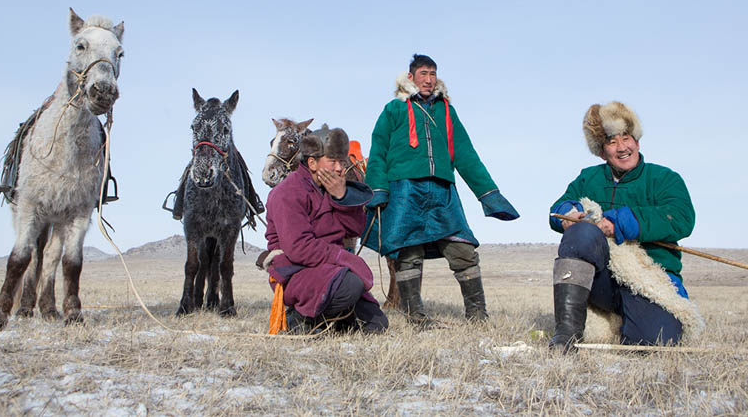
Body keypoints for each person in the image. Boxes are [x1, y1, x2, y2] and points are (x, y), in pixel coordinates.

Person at [363, 54, 519, 327]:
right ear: (410, 77)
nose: (429, 79)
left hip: (442, 190)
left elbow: (466, 154)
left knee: (462, 248)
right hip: (405, 190)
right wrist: (378, 189)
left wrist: (490, 195)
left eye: (433, 73)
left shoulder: (447, 110)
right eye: (423, 73)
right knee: (407, 251)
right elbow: (378, 151)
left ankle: (478, 316)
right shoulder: (394, 110)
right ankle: (415, 317)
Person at [548, 101, 699, 351]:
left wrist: (616, 222)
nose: (621, 148)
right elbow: (558, 208)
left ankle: (633, 320)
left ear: (636, 141)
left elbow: (681, 217)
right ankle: (566, 336)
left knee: (657, 342)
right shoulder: (588, 178)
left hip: (650, 279)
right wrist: (566, 214)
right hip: (604, 282)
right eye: (611, 141)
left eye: (626, 138)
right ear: (601, 150)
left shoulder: (664, 179)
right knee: (582, 232)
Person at [261, 127, 388, 334]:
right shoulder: (287, 192)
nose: (340, 169)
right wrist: (346, 259)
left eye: (342, 161)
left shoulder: (331, 188)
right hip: (295, 270)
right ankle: (300, 319)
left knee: (377, 325)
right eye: (332, 161)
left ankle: (332, 320)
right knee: (351, 285)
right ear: (312, 163)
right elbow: (299, 249)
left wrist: (342, 198)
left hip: (329, 268)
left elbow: (354, 229)